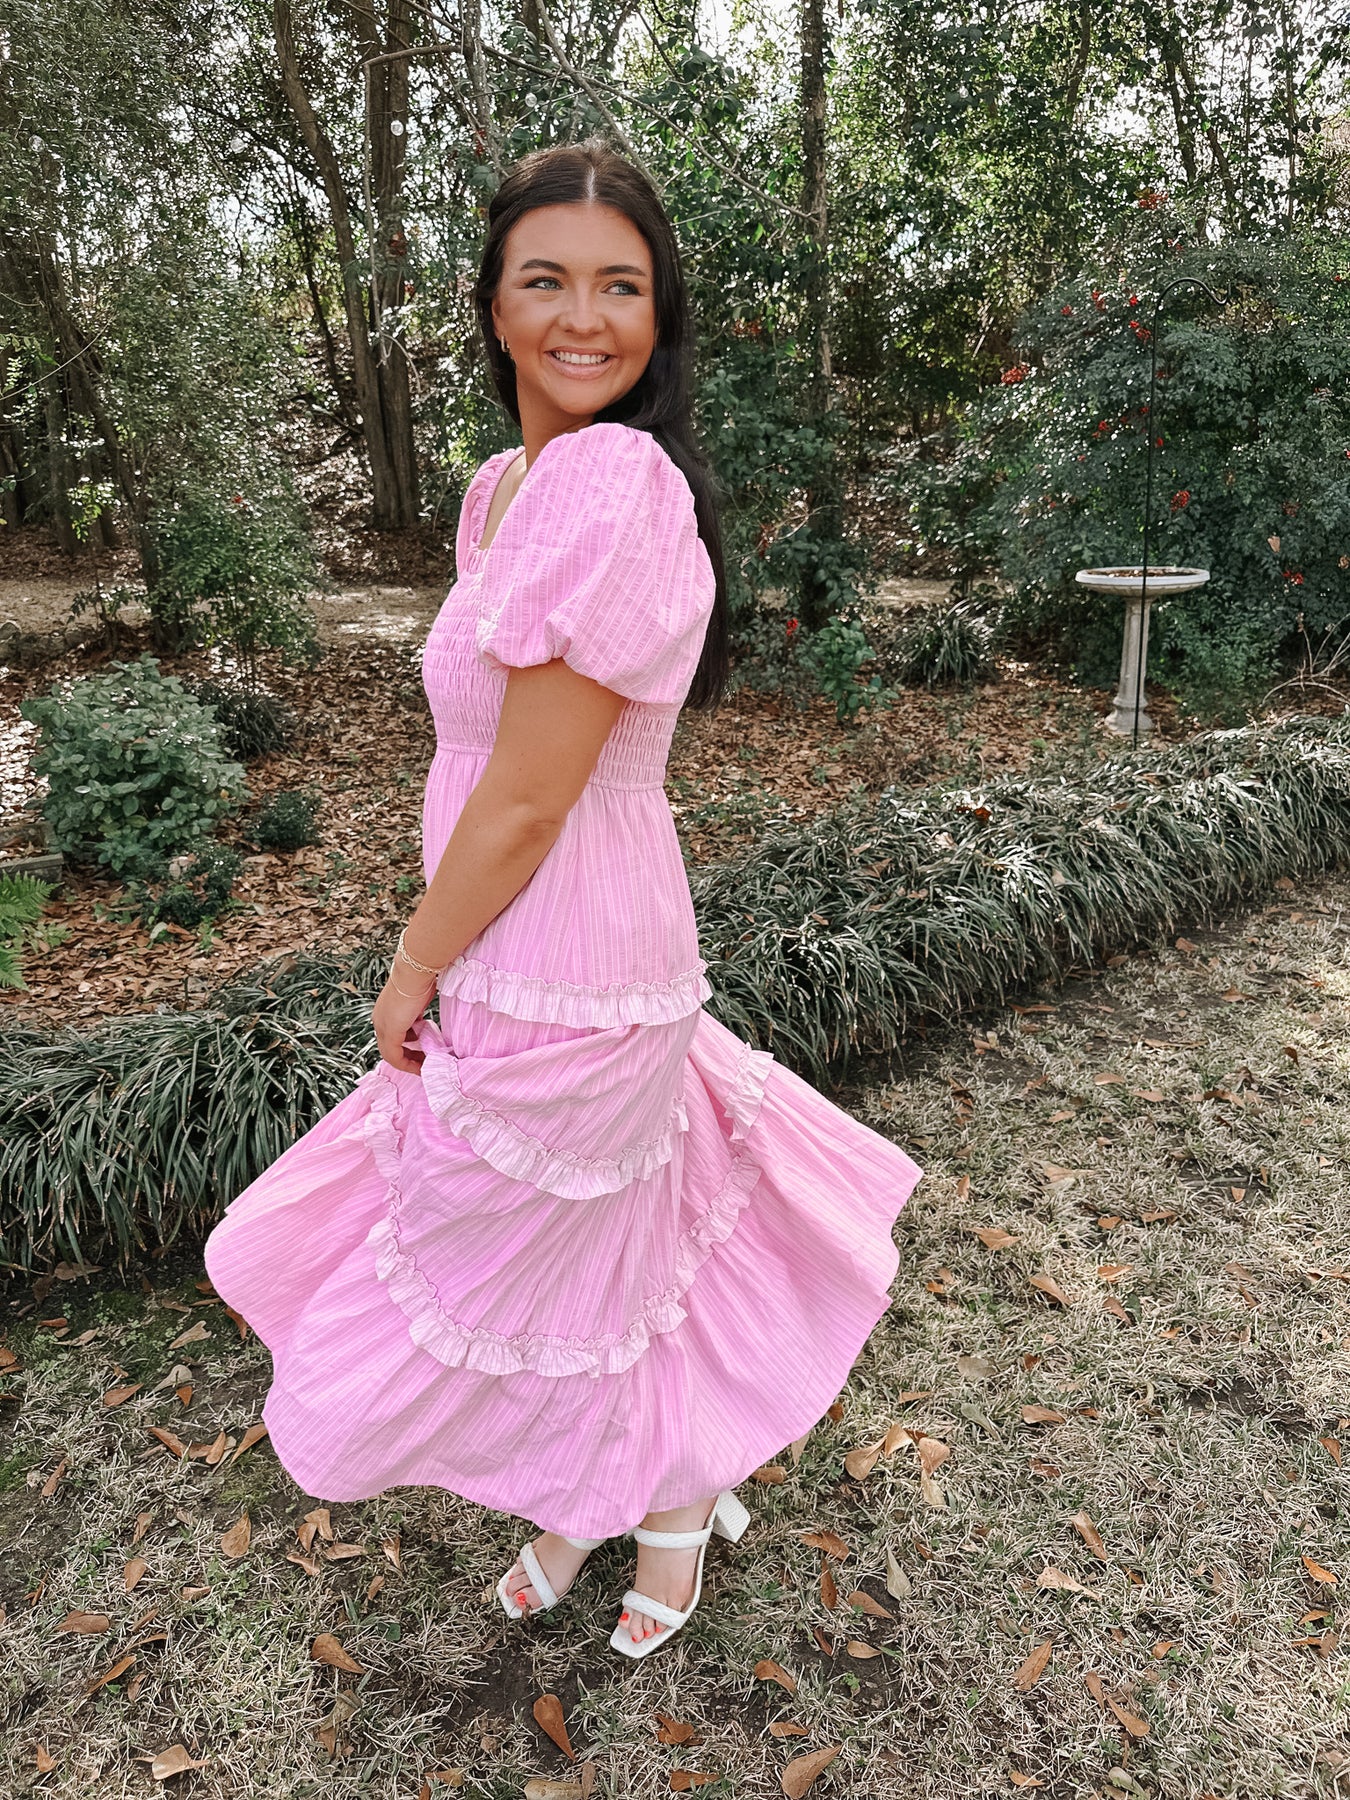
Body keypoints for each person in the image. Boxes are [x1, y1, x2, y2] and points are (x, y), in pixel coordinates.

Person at [202, 137, 923, 1661]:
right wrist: (442, 946)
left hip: (570, 959)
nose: (582, 317)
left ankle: (668, 1504)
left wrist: (411, 960)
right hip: (514, 939)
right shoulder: (501, 487)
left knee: (554, 1258)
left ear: (661, 316)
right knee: (574, 1263)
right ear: (492, 305)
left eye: (621, 286)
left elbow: (532, 794)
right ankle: (601, 1489)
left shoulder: (612, 477)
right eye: (545, 280)